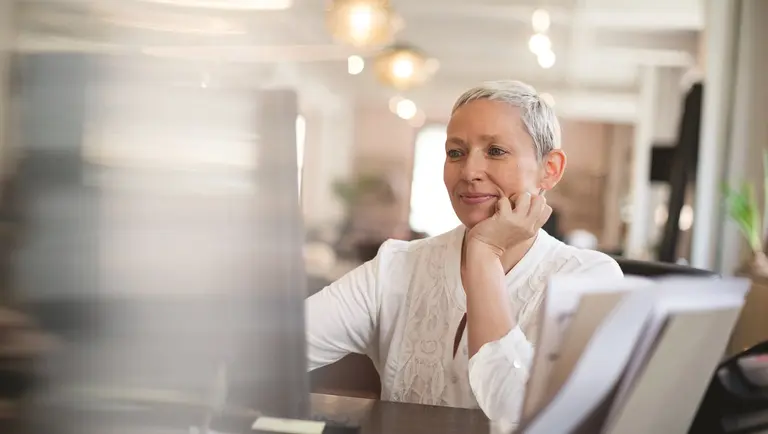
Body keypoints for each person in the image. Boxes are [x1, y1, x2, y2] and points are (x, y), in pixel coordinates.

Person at [305, 80, 623, 424]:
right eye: (455, 152)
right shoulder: (397, 265)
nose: (469, 172)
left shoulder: (591, 280)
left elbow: (519, 416)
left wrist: (485, 253)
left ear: (551, 169)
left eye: (496, 151)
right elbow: (279, 346)